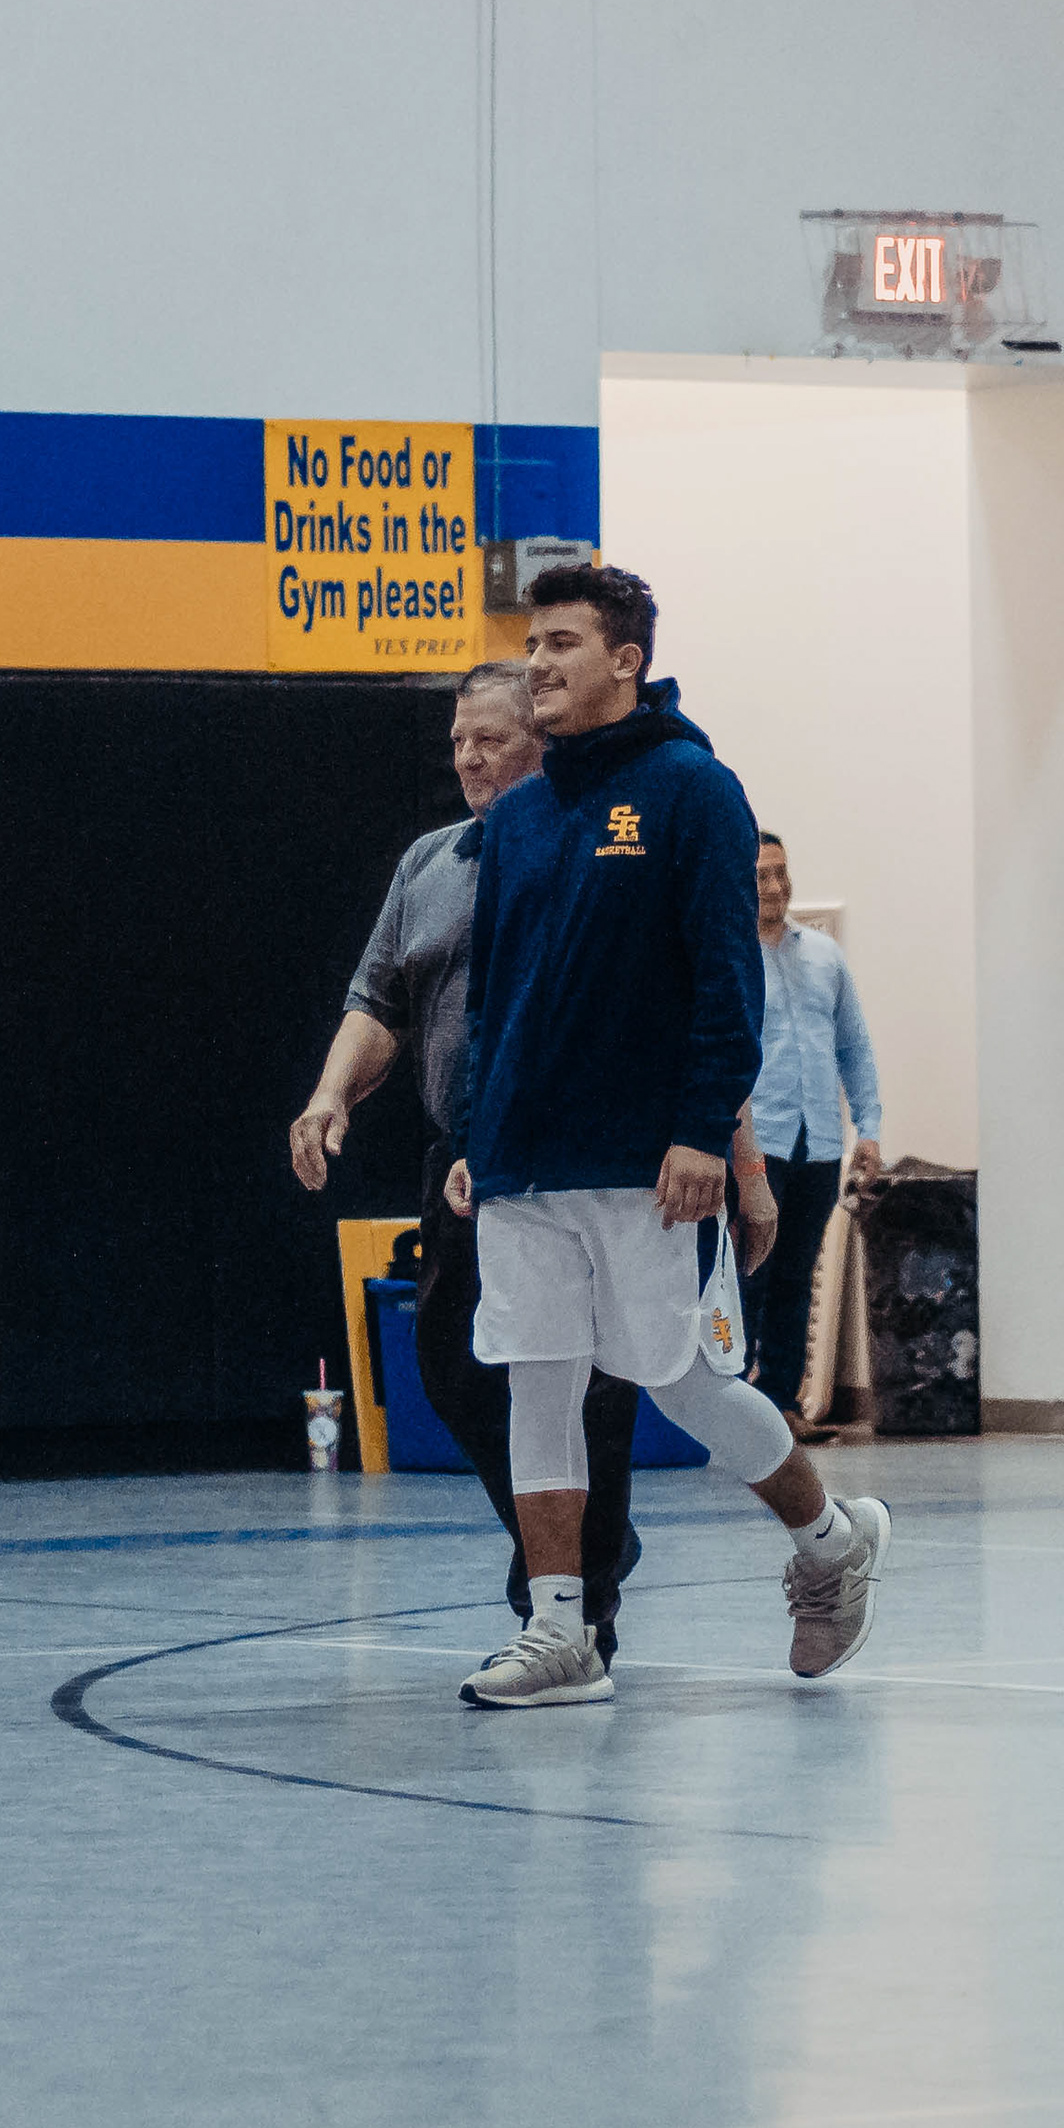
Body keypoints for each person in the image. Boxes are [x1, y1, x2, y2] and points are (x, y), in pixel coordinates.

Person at [448, 562, 892, 1709]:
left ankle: (833, 1540)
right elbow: (492, 998)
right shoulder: (521, 814)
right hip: (522, 1162)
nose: (537, 665)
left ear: (627, 660)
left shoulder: (694, 790)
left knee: (685, 1385)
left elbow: (726, 984)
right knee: (537, 1385)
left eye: (560, 644)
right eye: (530, 645)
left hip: (646, 1162)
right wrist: (476, 1131)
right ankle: (561, 1630)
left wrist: (705, 1135)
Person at [289, 665, 775, 1666]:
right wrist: (331, 1094)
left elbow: (703, 1000)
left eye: (491, 739)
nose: (468, 758)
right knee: (455, 1368)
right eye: (458, 741)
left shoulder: (604, 851)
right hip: (474, 1160)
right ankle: (588, 1552)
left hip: (600, 1159)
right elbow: (379, 1000)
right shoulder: (431, 863)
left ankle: (574, 1608)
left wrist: (744, 1162)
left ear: (544, 740)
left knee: (612, 1386)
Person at [743, 830, 885, 1439]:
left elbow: (854, 1047)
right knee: (748, 1278)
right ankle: (736, 1413)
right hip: (755, 1146)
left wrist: (869, 1130)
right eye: (761, 875)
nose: (775, 886)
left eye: (781, 872)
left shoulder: (825, 957)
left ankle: (780, 1407)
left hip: (819, 1144)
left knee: (796, 1275)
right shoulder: (728, 958)